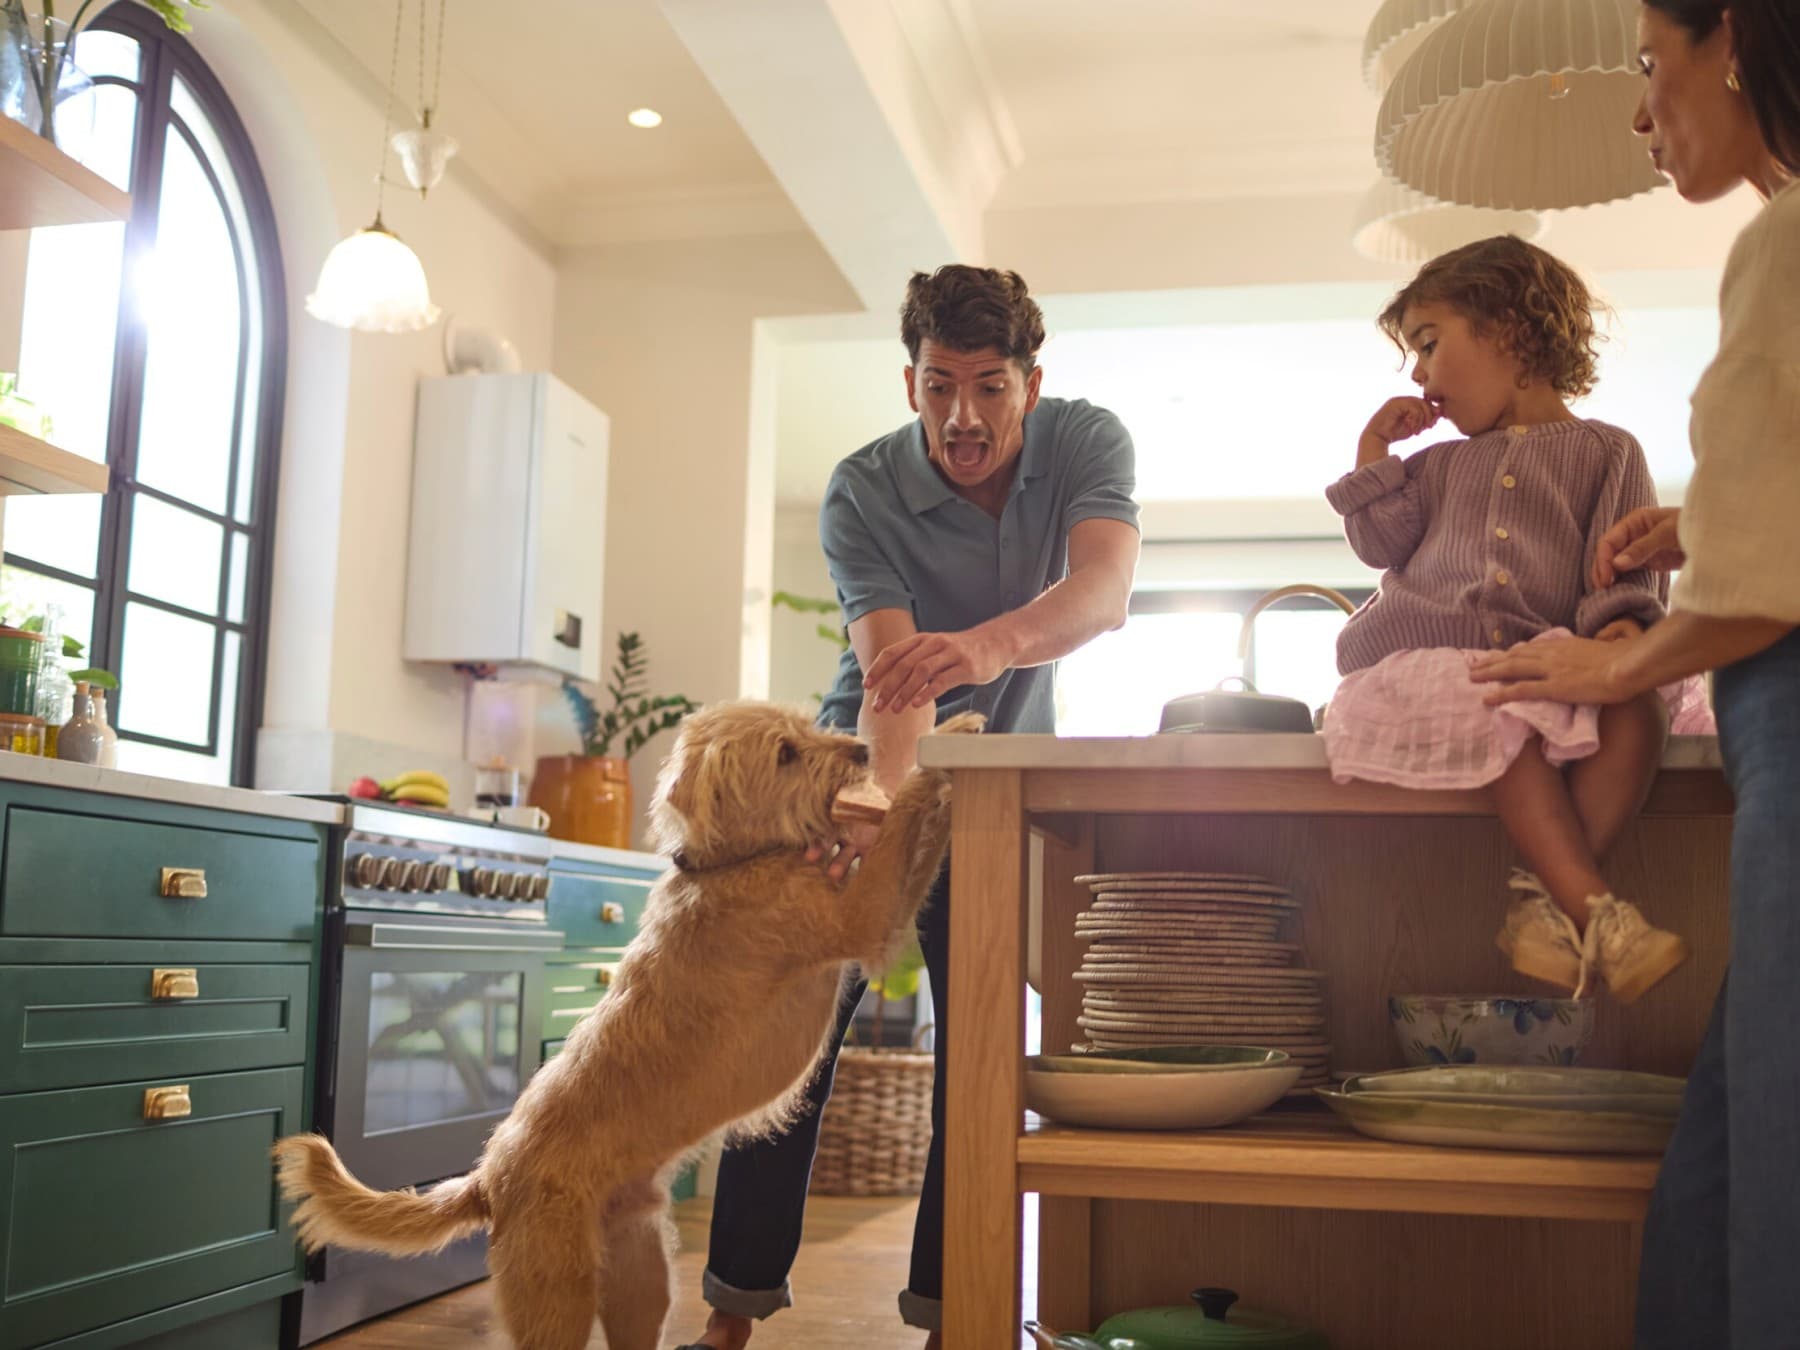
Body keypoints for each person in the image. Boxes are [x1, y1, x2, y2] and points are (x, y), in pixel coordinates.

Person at [679, 264, 1141, 1350]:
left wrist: (981, 646)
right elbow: (892, 675)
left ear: (1032, 381)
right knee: (784, 1047)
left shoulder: (1086, 443)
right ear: (909, 380)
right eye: (938, 386)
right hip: (856, 784)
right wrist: (877, 803)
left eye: (988, 386)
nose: (962, 417)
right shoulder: (864, 486)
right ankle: (730, 1315)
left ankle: (951, 1318)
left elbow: (1104, 594)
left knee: (975, 1060)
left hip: (999, 797)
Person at [1470, 2, 1799, 1344]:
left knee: (1763, 1179)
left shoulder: (1781, 242)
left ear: (1733, 40)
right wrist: (1711, 527)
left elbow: (1756, 599)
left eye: (1651, 67)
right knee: (1727, 1167)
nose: (1640, 111)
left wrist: (1605, 672)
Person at [1323, 234, 1703, 1002]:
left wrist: (1622, 643)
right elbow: (1378, 542)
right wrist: (1374, 451)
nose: (1421, 375)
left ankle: (1544, 909)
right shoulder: (1432, 467)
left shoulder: (1607, 450)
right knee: (1505, 708)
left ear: (1507, 328)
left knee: (1639, 705)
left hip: (1549, 660)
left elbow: (1618, 572)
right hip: (1433, 663)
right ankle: (1591, 906)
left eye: (1429, 345)